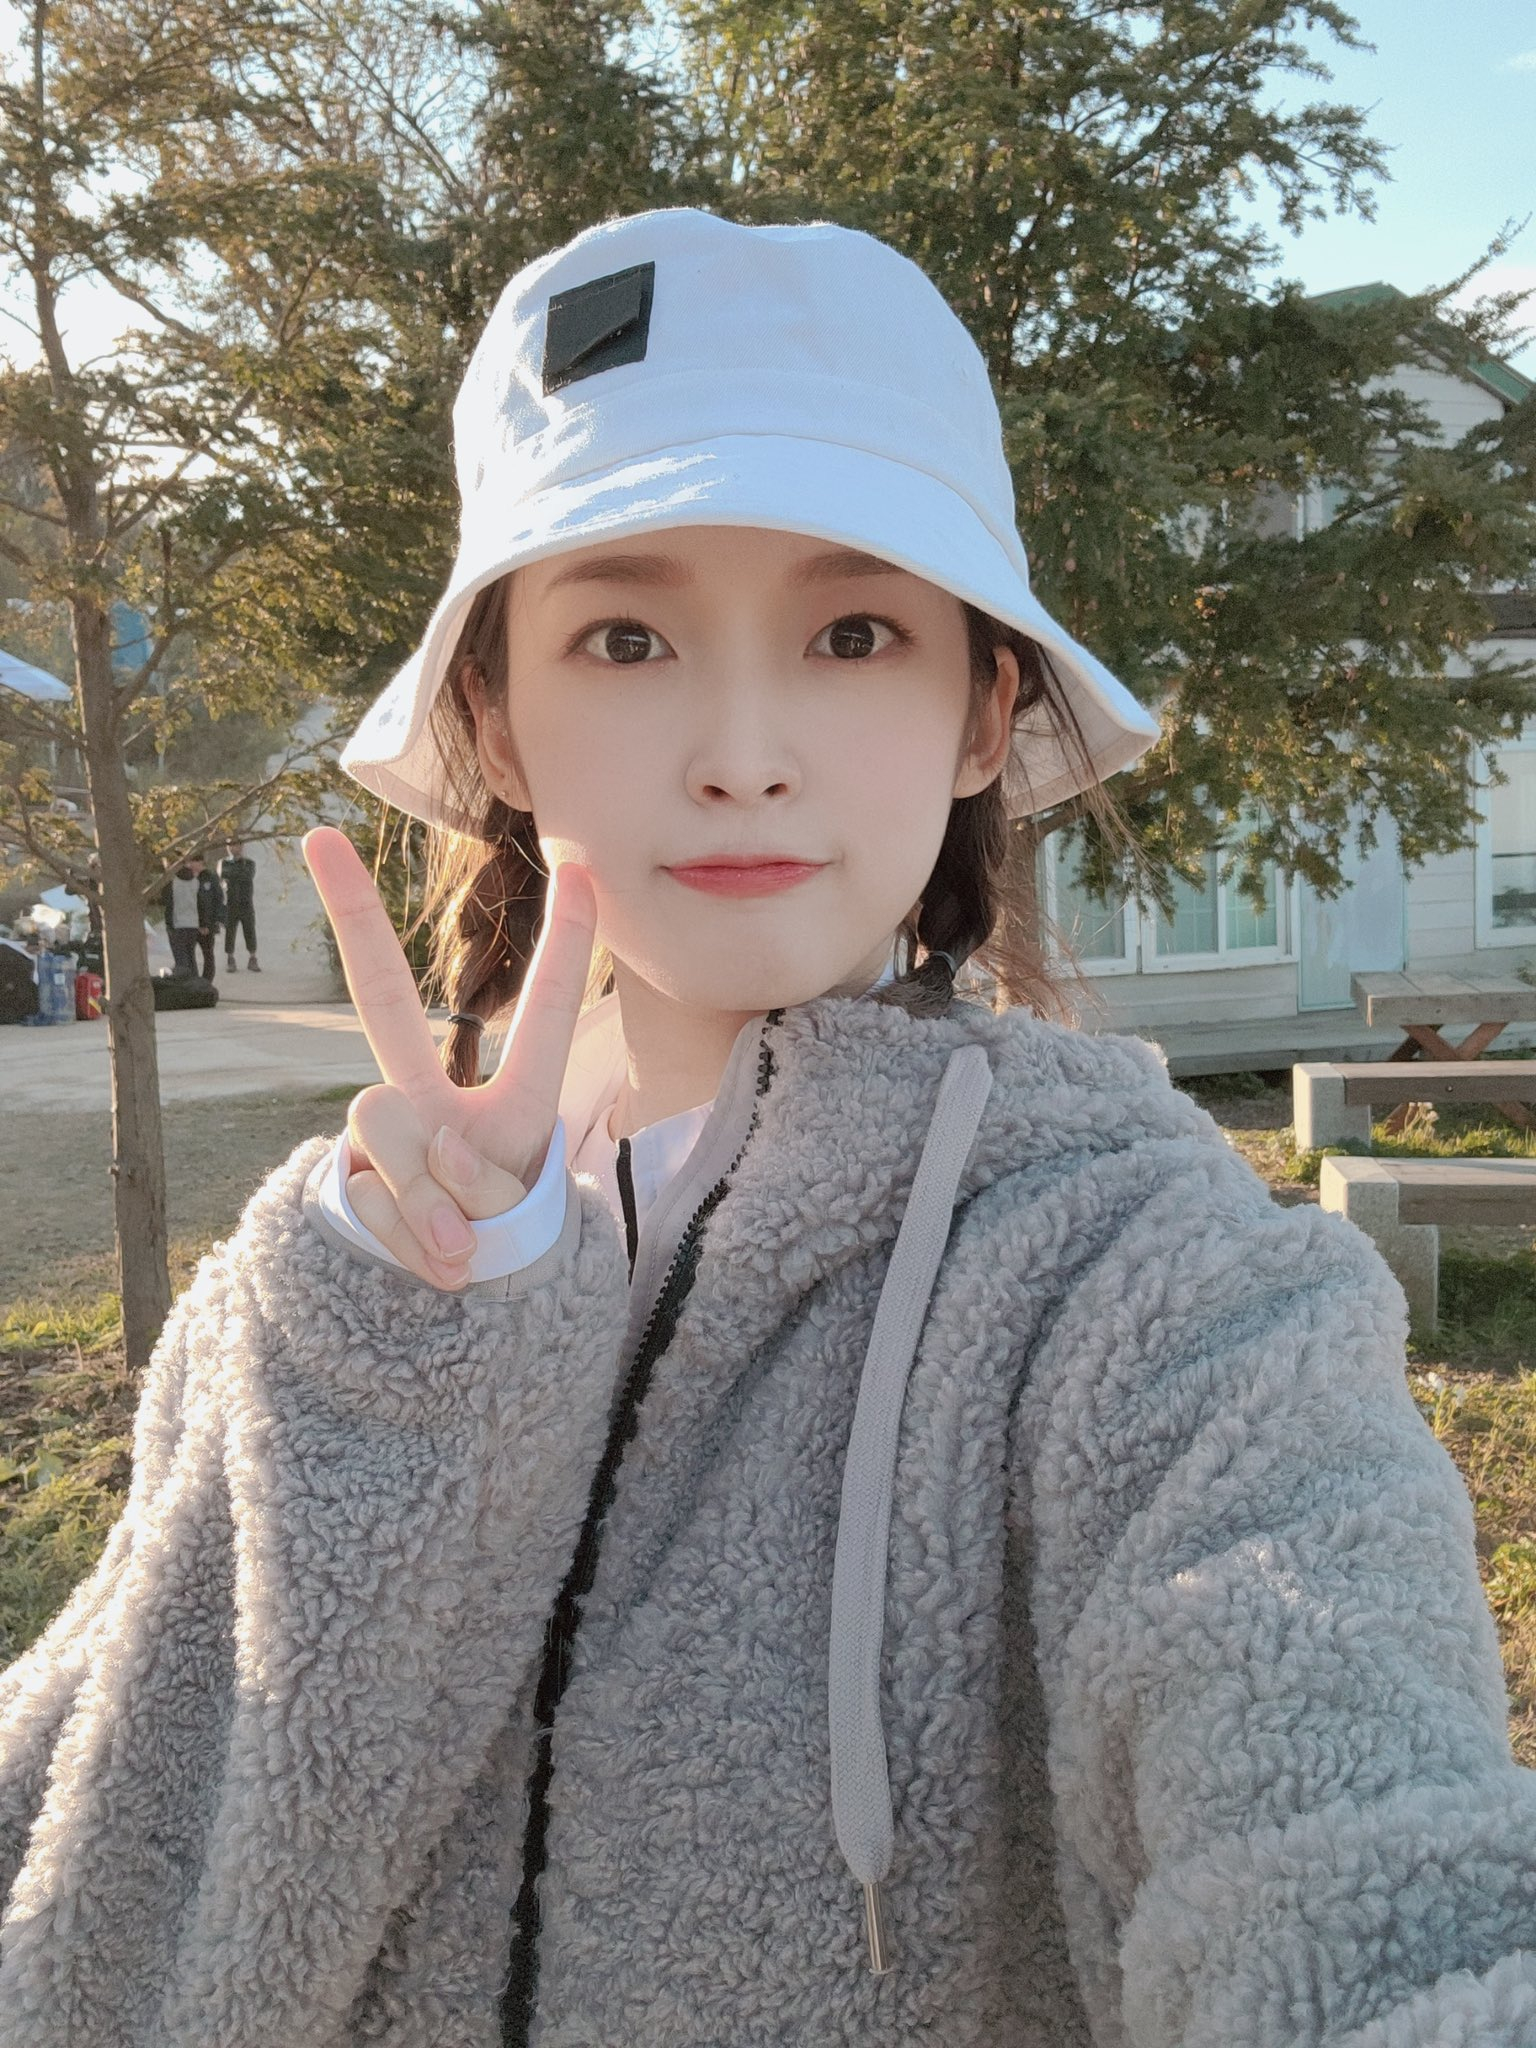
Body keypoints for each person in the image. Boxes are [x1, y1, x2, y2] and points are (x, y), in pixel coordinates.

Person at [2, 210, 1532, 2046]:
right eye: (627, 636)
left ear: (982, 709)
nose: (741, 750)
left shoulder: (1157, 1286)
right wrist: (393, 1361)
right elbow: (89, 1892)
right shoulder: (322, 1280)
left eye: (852, 631)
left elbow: (1364, 1845)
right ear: (497, 716)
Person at [219, 837, 259, 972]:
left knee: (249, 930)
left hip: (246, 902)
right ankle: (230, 958)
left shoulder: (249, 863)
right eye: (229, 845)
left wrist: (233, 875)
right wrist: (234, 874)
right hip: (230, 903)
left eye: (234, 845)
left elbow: (247, 875)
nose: (231, 848)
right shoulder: (223, 862)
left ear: (241, 846)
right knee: (230, 932)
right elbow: (223, 874)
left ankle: (252, 957)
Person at [159, 855, 202, 977]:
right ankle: (195, 982)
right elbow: (200, 902)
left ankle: (185, 983)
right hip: (193, 924)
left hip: (177, 925)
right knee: (191, 958)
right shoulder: (195, 880)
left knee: (181, 960)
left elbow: (165, 900)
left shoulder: (171, 881)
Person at [193, 853, 223, 981]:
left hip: (207, 924)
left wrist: (210, 923)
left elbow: (218, 899)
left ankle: (207, 982)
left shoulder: (210, 877)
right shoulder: (189, 878)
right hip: (191, 923)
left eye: (193, 862)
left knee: (208, 954)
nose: (190, 865)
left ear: (200, 862)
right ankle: (192, 981)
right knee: (189, 956)